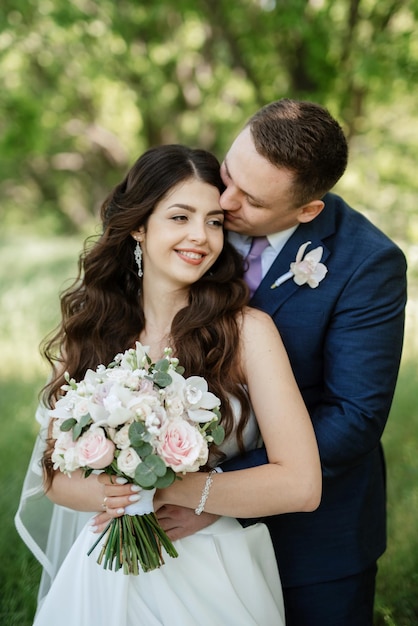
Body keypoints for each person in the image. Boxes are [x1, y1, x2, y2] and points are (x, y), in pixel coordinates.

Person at [16, 144, 322, 626]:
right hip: (104, 565)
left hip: (208, 566)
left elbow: (301, 485)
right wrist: (113, 494)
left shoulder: (247, 332)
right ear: (139, 225)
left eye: (214, 221)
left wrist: (170, 488)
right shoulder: (95, 329)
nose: (200, 236)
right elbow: (55, 478)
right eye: (180, 217)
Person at [156, 100, 408, 626]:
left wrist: (217, 489)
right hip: (177, 525)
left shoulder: (368, 264)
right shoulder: (200, 219)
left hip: (314, 536)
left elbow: (354, 416)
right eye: (228, 173)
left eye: (249, 199)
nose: (224, 202)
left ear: (307, 210)